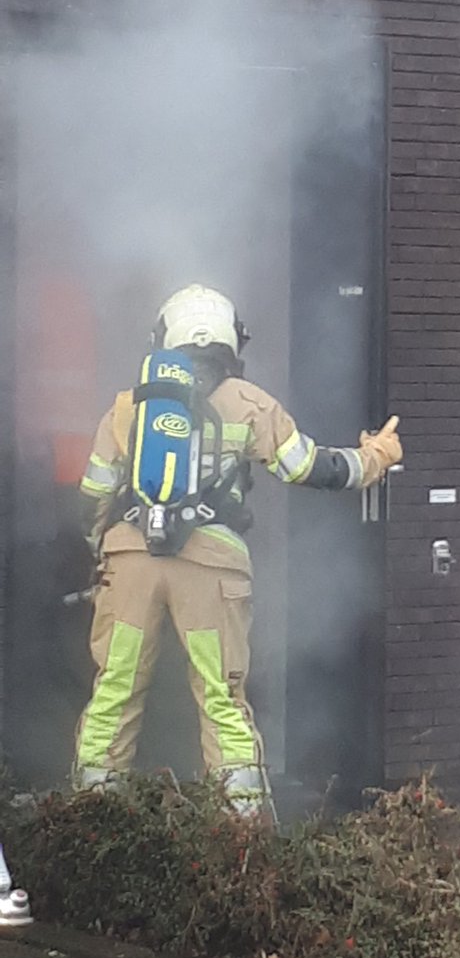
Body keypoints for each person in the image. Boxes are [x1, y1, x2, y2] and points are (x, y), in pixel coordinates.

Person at [73, 284, 402, 816]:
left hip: (129, 562)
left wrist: (101, 552)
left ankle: (87, 824)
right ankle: (241, 844)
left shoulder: (126, 407)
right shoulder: (251, 404)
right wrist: (377, 457)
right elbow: (308, 468)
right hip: (211, 568)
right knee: (222, 700)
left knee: (114, 693)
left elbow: (93, 494)